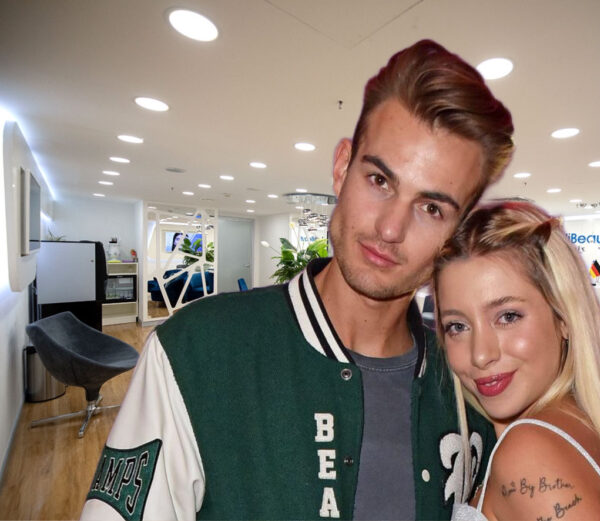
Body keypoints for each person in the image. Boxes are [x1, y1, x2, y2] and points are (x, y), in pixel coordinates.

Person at [81, 39, 514, 521]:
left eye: (431, 208)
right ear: (342, 167)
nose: (390, 229)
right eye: (379, 181)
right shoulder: (196, 353)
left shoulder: (468, 384)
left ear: (457, 231)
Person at [433, 201, 600, 521]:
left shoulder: (530, 457)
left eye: (508, 316)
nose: (481, 355)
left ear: (564, 318)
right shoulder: (575, 421)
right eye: (457, 326)